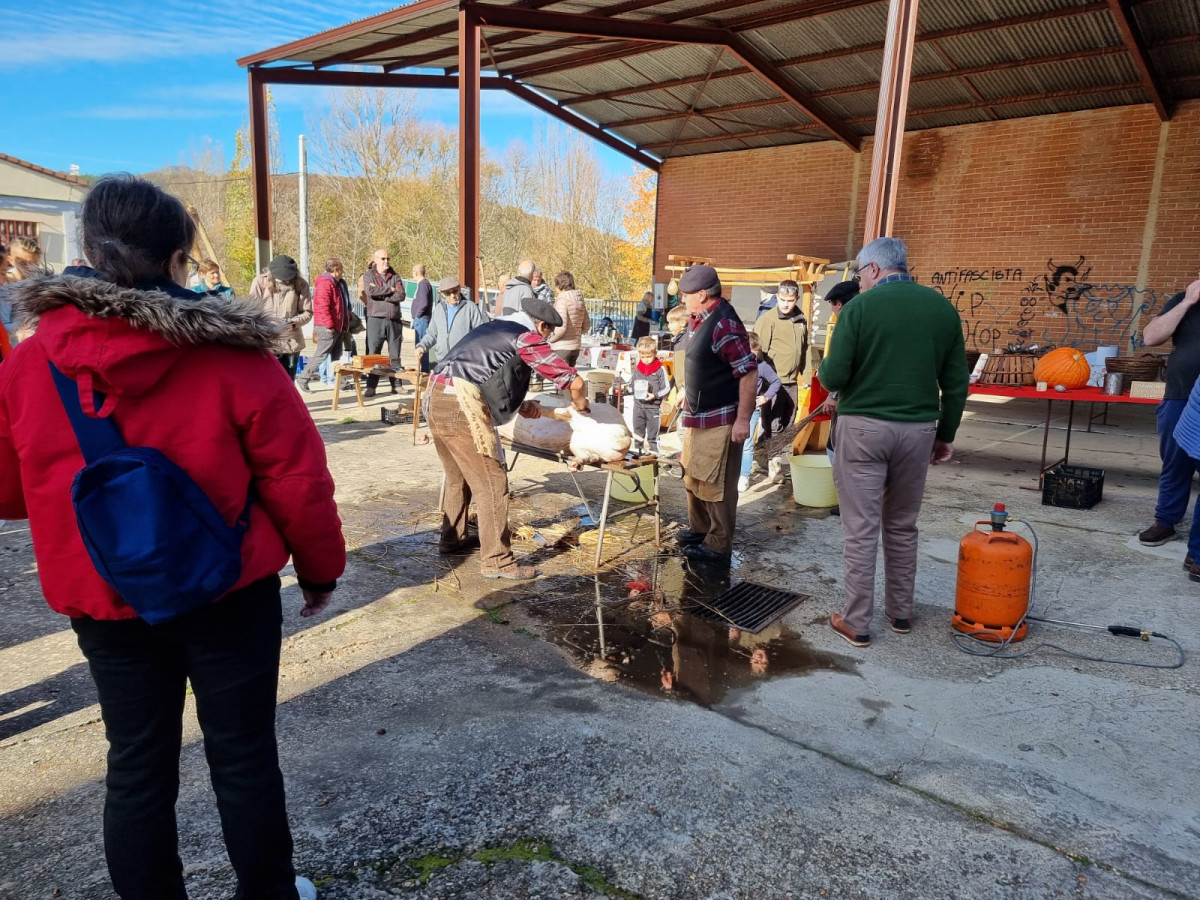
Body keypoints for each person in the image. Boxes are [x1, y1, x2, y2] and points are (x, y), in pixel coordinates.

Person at [0, 174, 342, 900]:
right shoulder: (235, 356)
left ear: (88, 247)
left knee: (135, 763)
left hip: (103, 596)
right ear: (179, 254)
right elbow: (297, 478)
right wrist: (319, 569)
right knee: (244, 759)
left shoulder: (29, 363)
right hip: (229, 588)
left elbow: (8, 492)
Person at [818, 236, 967, 648]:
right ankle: (901, 613)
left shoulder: (859, 309)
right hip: (918, 431)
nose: (859, 281)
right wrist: (946, 434)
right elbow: (956, 383)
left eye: (860, 273)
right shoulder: (942, 308)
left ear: (875, 270)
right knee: (902, 525)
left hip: (864, 429)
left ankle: (857, 622)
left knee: (861, 529)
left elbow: (833, 377)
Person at [427, 294, 590, 580]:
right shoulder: (526, 337)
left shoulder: (491, 328)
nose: (548, 339)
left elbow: (487, 376)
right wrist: (580, 405)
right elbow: (573, 380)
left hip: (436, 397)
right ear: (541, 326)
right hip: (460, 405)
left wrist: (521, 405)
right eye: (548, 333)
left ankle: (453, 538)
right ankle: (498, 561)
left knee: (459, 478)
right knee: (492, 481)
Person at [674, 265, 757, 563]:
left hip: (720, 418)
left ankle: (718, 545)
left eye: (685, 296)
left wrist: (743, 419)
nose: (682, 301)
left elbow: (748, 372)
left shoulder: (725, 324)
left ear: (702, 294)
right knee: (693, 477)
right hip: (697, 415)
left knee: (715, 483)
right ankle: (700, 529)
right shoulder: (699, 318)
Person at [1136, 276, 1200, 556]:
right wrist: (1188, 301)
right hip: (1179, 395)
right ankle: (1166, 520)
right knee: (1175, 463)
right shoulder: (1184, 300)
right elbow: (1151, 337)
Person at [754, 279, 808, 483]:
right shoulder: (767, 319)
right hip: (773, 381)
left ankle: (763, 452)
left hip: (793, 380)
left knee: (789, 420)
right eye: (782, 299)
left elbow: (805, 346)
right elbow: (758, 352)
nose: (786, 304)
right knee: (773, 423)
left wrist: (806, 372)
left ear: (796, 299)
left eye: (790, 300)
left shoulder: (800, 318)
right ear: (777, 297)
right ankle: (774, 465)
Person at [247, 254, 312, 380]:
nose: (286, 282)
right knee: (268, 382)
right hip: (267, 341)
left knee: (288, 382)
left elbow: (307, 312)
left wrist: (292, 322)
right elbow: (251, 311)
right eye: (283, 279)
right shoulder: (260, 282)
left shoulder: (301, 284)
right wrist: (265, 324)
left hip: (291, 342)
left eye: (289, 279)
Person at [296, 257, 352, 393]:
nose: (343, 272)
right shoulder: (325, 284)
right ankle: (303, 379)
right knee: (321, 355)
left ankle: (342, 383)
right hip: (328, 328)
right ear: (335, 269)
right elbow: (322, 306)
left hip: (337, 327)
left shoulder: (338, 283)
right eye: (341, 269)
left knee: (337, 357)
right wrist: (329, 325)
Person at [738, 332, 782, 492]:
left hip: (752, 409)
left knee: (747, 444)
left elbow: (776, 381)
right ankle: (731, 473)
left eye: (755, 355)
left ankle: (744, 476)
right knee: (731, 442)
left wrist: (766, 397)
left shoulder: (762, 366)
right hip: (733, 409)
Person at [359, 249, 405, 397]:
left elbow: (401, 295)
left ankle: (396, 385)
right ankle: (371, 386)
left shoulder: (395, 276)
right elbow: (370, 292)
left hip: (394, 320)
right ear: (376, 260)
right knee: (374, 354)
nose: (386, 261)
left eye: (388, 259)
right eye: (383, 259)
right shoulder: (368, 275)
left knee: (395, 354)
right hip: (375, 319)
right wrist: (389, 290)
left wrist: (383, 296)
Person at [415, 275, 486, 366]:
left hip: (463, 362)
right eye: (448, 293)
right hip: (441, 361)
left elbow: (480, 334)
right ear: (443, 294)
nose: (452, 296)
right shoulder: (438, 309)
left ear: (459, 289)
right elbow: (432, 334)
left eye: (455, 291)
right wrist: (422, 346)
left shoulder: (470, 307)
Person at [631, 336, 671, 456]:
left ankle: (654, 451)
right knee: (638, 430)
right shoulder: (638, 368)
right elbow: (632, 383)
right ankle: (639, 451)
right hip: (638, 406)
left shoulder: (660, 369)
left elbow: (667, 388)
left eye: (649, 356)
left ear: (655, 354)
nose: (646, 360)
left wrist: (655, 395)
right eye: (643, 357)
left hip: (653, 407)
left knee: (653, 433)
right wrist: (629, 388)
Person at [548, 270, 590, 366]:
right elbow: (587, 325)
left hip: (562, 346)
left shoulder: (562, 300)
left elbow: (561, 327)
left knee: (561, 378)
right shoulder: (579, 300)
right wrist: (576, 333)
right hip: (575, 346)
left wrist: (551, 339)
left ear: (559, 285)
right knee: (571, 378)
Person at [410, 263, 433, 374]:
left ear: (415, 273)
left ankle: (424, 369)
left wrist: (417, 315)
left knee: (421, 343)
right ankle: (422, 367)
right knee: (419, 343)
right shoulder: (423, 284)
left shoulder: (423, 285)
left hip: (422, 319)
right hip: (420, 319)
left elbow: (424, 302)